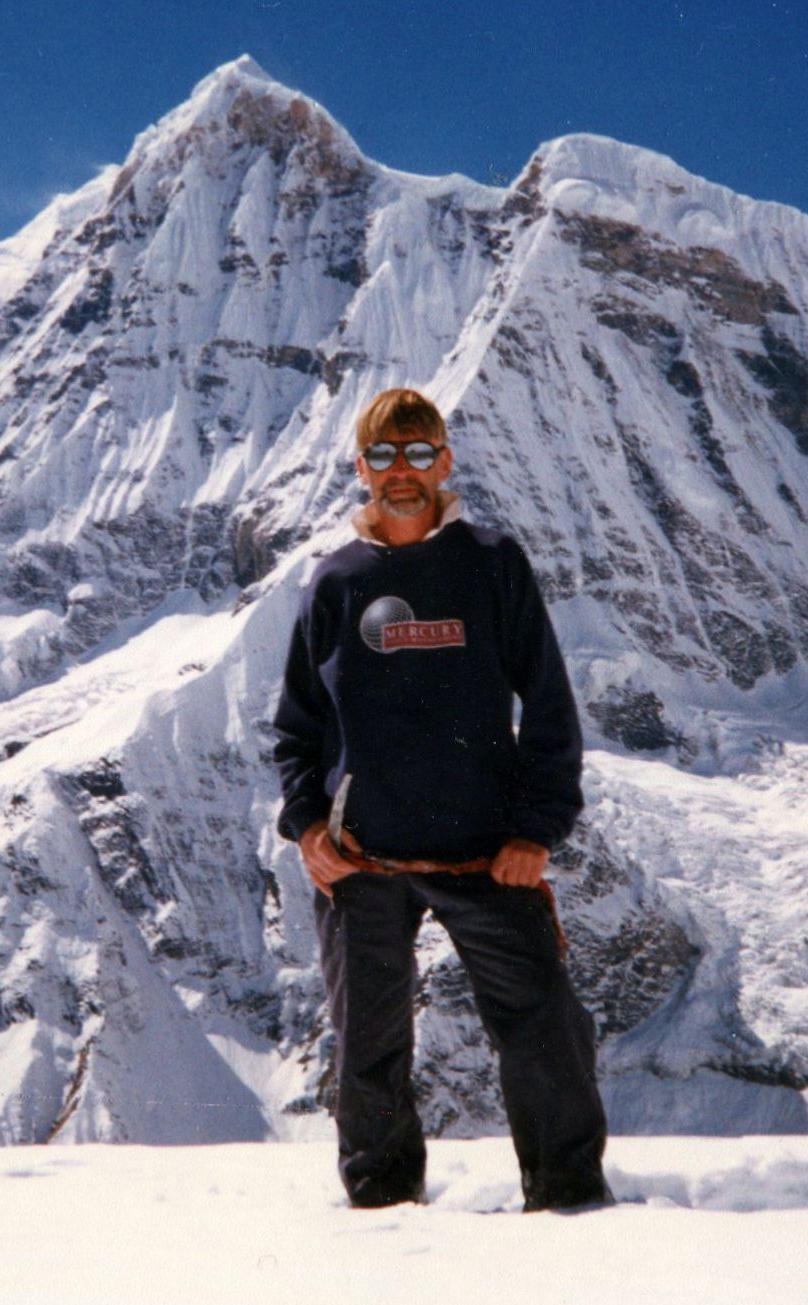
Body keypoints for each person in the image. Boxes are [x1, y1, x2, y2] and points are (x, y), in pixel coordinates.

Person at [271, 387, 612, 1212]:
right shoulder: (336, 583)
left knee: (544, 1036)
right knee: (368, 1051)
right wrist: (308, 827)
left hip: (486, 855)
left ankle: (571, 1207)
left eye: (419, 453)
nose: (401, 471)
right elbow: (296, 729)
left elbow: (550, 707)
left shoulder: (492, 564)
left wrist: (536, 830)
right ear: (359, 469)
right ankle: (383, 1221)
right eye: (383, 455)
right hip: (362, 863)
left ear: (444, 463)